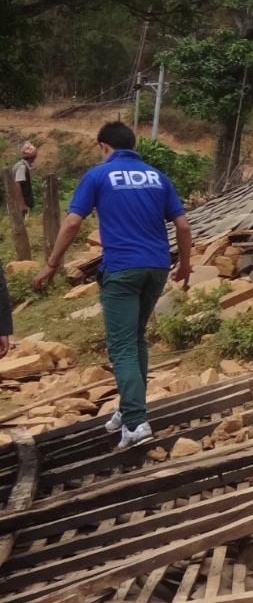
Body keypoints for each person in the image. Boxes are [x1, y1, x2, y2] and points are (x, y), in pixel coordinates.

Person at [34, 122, 192, 449]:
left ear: (104, 146)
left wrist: (51, 264)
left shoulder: (98, 175)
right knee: (136, 339)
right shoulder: (157, 176)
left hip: (121, 269)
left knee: (121, 346)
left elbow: (74, 221)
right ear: (134, 146)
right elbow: (183, 225)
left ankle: (135, 423)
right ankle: (127, 407)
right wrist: (186, 265)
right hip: (157, 266)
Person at [9, 142, 36, 213]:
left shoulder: (19, 165)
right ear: (33, 156)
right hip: (21, 205)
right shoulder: (22, 167)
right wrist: (22, 204)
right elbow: (17, 185)